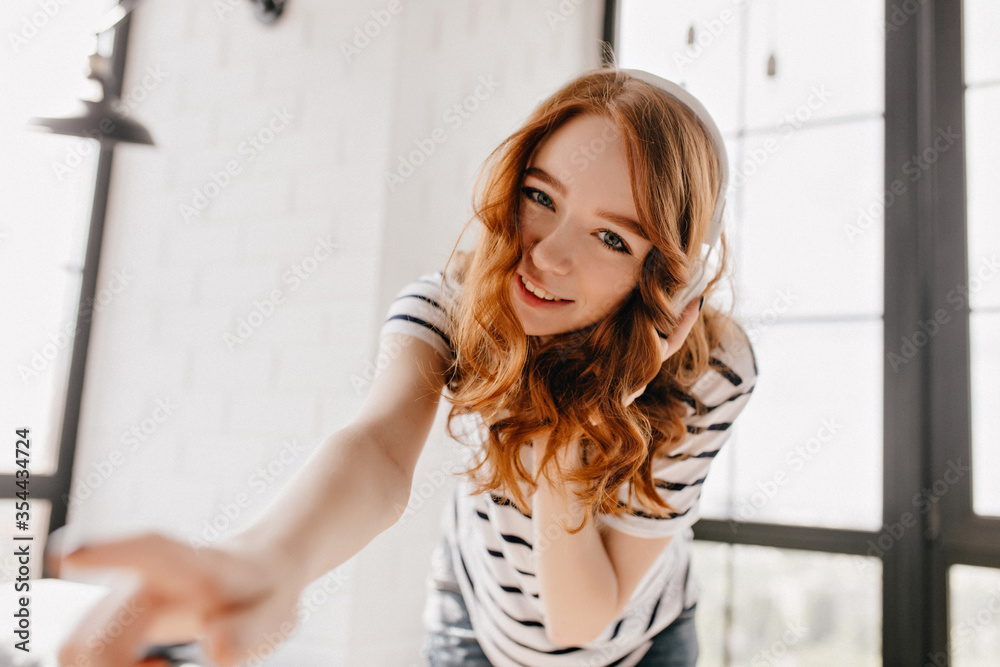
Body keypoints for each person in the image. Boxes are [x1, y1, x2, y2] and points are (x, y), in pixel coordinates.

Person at [54, 66, 757, 667]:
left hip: (640, 645)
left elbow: (579, 622)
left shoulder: (708, 369)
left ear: (666, 273)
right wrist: (271, 558)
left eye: (610, 236)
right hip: (474, 628)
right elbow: (377, 450)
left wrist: (576, 432)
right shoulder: (459, 306)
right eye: (540, 196)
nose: (546, 254)